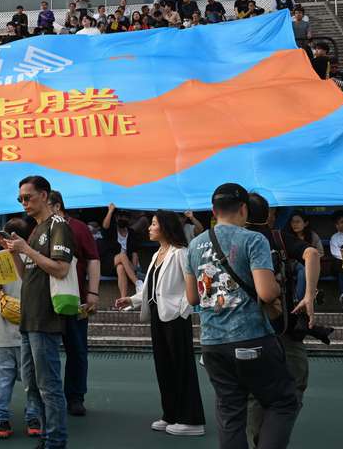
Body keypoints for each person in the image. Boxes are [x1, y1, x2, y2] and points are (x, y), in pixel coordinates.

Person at [183, 183, 298, 449]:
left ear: (213, 210)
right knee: (282, 401)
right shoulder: (253, 239)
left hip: (212, 344)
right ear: (244, 208)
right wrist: (277, 286)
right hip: (252, 338)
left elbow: (192, 298)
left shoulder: (195, 245)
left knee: (230, 412)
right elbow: (267, 293)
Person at [0, 175, 72, 449]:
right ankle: (46, 436)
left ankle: (55, 440)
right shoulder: (38, 228)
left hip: (45, 316)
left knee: (48, 385)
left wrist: (25, 248)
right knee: (32, 384)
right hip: (30, 317)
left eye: (27, 197)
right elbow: (25, 273)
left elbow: (61, 268)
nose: (23, 203)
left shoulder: (57, 225)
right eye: (20, 199)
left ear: (44, 195)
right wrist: (15, 252)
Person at [115, 211, 205, 436]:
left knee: (182, 366)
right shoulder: (158, 254)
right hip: (158, 315)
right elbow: (150, 288)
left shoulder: (181, 253)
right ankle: (171, 414)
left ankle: (192, 420)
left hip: (175, 317)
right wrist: (132, 300)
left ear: (165, 227)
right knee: (164, 366)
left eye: (153, 224)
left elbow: (192, 287)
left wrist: (182, 309)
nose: (149, 228)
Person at [244, 193, 323, 449]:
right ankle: (271, 438)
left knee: (255, 393)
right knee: (295, 382)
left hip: (248, 329)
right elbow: (312, 253)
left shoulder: (236, 241)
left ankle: (258, 439)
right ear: (269, 215)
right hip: (284, 326)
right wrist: (309, 294)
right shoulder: (278, 238)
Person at [0, 217, 41, 440]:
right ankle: (34, 420)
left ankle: (0, 423)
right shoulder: (35, 260)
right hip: (30, 332)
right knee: (33, 381)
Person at [48, 191, 99, 417]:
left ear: (57, 205)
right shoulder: (38, 228)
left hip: (74, 299)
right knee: (44, 353)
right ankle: (47, 398)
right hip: (45, 301)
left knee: (77, 350)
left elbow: (93, 259)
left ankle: (75, 397)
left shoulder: (78, 227)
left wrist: (93, 292)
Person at [101, 203, 144, 299]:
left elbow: (134, 252)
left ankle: (123, 299)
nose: (122, 219)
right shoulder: (112, 230)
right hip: (108, 263)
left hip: (125, 265)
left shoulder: (131, 233)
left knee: (120, 268)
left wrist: (134, 268)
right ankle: (138, 284)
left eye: (125, 217)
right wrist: (110, 211)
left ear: (129, 219)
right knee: (122, 255)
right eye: (120, 216)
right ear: (116, 218)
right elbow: (105, 226)